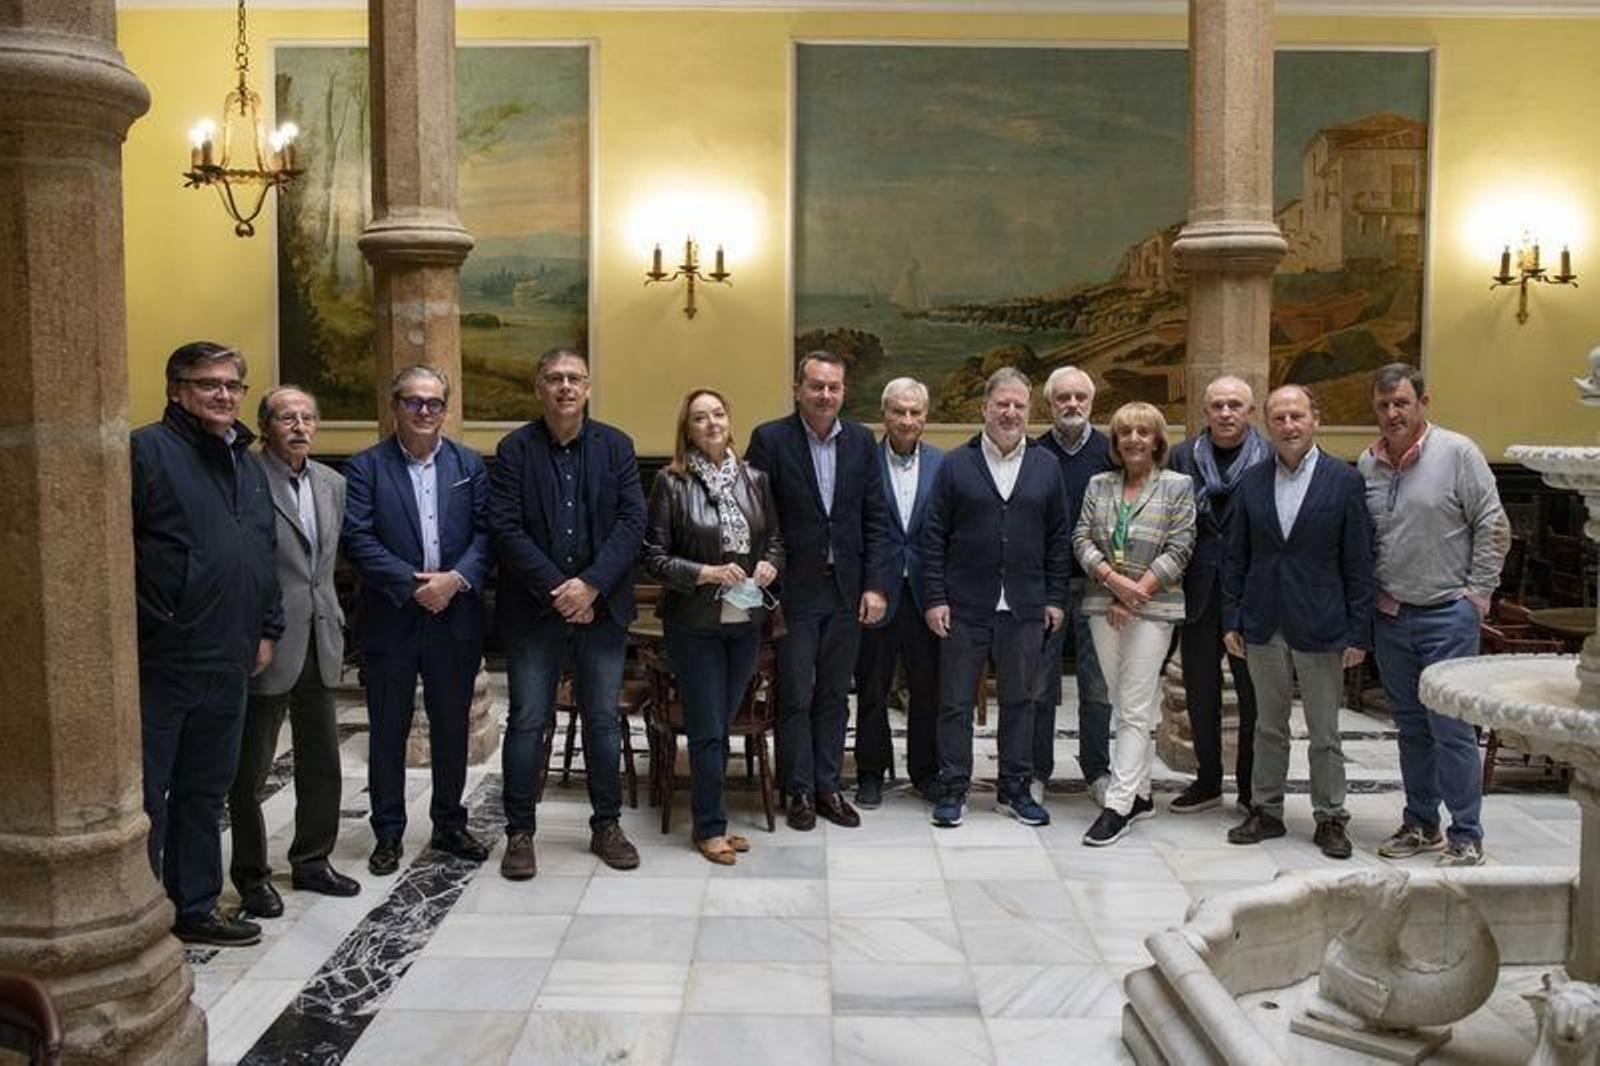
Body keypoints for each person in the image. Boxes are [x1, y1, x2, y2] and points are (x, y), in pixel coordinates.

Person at [132, 341, 283, 946]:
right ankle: (142, 914)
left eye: (232, 385)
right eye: (207, 384)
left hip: (231, 653)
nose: (223, 395)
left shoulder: (245, 462)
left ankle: (194, 905)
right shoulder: (147, 451)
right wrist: (157, 615)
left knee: (205, 790)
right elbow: (115, 548)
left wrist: (266, 628)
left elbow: (261, 550)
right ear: (175, 390)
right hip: (165, 653)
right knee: (150, 793)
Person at [489, 349, 645, 878]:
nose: (564, 387)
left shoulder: (617, 447)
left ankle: (606, 825)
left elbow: (631, 523)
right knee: (529, 722)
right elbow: (505, 528)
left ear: (588, 387)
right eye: (554, 378)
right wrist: (560, 589)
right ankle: (519, 832)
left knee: (602, 722)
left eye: (574, 378)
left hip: (600, 612)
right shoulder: (514, 450)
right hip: (535, 612)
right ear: (539, 388)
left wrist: (591, 586)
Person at [342, 366, 492, 877]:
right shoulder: (365, 467)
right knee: (389, 729)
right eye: (414, 402)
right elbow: (358, 538)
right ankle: (388, 832)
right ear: (395, 406)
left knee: (452, 728)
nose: (424, 411)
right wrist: (414, 585)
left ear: (445, 410)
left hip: (456, 616)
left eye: (433, 403)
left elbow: (486, 535)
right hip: (392, 618)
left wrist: (455, 580)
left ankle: (450, 823)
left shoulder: (469, 464)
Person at [1359, 363, 1509, 867]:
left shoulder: (1458, 453)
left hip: (1448, 613)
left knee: (1452, 731)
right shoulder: (1368, 463)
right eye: (1383, 405)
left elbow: (1493, 524)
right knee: (1410, 727)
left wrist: (1477, 597)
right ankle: (1422, 823)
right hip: (1393, 615)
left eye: (1401, 403)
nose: (1392, 413)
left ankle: (1467, 832)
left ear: (1423, 402)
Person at [1222, 385, 1374, 859]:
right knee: (1269, 724)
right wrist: (1232, 618)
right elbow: (1235, 558)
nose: (1289, 425)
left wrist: (1358, 630)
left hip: (1322, 622)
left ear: (1315, 420)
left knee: (1324, 730)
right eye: (1280, 418)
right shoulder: (1251, 481)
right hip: (1263, 621)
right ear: (1267, 424)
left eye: (1297, 416)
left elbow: (1359, 562)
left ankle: (1330, 817)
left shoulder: (1343, 481)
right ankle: (1266, 810)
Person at [229, 386, 360, 920]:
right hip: (267, 638)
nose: (300, 426)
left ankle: (312, 859)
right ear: (266, 426)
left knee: (322, 759)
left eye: (308, 417)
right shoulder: (244, 477)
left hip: (321, 634)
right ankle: (252, 875)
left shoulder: (333, 483)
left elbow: (325, 565)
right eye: (288, 417)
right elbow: (241, 562)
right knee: (251, 767)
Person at [747, 350, 890, 831]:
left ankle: (828, 787)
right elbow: (756, 519)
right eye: (816, 386)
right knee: (795, 696)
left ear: (843, 392)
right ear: (797, 389)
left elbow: (876, 517)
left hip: (847, 591)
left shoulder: (862, 443)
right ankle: (799, 790)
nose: (825, 395)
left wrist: (875, 585)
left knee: (833, 694)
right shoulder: (770, 440)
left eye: (833, 387)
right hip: (793, 593)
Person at [922, 367, 1069, 829]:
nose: (1009, 412)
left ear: (1029, 411)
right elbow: (933, 538)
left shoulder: (1047, 466)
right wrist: (934, 598)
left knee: (1021, 701)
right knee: (955, 703)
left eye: (1019, 406)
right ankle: (953, 789)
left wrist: (1055, 597)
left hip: (1025, 607)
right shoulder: (955, 464)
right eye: (1001, 404)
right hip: (964, 605)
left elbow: (1058, 538)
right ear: (984, 408)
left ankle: (1014, 789)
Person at [642, 389, 783, 864]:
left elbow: (776, 542)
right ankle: (709, 828)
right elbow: (654, 558)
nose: (711, 423)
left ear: (729, 419)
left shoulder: (755, 479)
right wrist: (705, 573)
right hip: (694, 624)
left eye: (718, 414)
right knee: (705, 729)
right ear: (687, 429)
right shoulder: (670, 482)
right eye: (700, 418)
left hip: (744, 621)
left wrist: (768, 566)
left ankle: (713, 814)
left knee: (722, 725)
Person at [1076, 402, 1195, 847]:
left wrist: (1135, 592)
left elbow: (1181, 546)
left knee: (1133, 702)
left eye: (1143, 432)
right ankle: (1143, 794)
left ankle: (1119, 805)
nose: (1133, 440)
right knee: (1121, 700)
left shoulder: (1177, 486)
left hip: (1153, 608)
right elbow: (1081, 538)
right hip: (1102, 604)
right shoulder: (1099, 484)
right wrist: (1113, 583)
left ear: (1158, 440)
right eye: (1125, 432)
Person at [1167, 376, 1270, 813]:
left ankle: (1249, 787)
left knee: (1254, 697)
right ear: (1205, 411)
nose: (1226, 413)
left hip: (1253, 596)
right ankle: (1207, 779)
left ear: (1250, 411)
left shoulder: (1270, 459)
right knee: (1199, 692)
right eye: (1217, 406)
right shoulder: (1182, 455)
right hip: (1198, 593)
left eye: (1235, 405)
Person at [852, 378, 944, 808]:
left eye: (916, 412)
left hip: (926, 594)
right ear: (884, 413)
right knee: (872, 687)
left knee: (928, 689)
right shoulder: (861, 460)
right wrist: (869, 585)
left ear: (926, 417)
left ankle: (925, 772)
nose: (908, 420)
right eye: (899, 411)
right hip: (877, 593)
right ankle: (871, 771)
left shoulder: (945, 465)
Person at [1032, 366, 1115, 806]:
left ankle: (1097, 770)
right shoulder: (1033, 452)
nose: (1072, 405)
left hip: (1099, 584)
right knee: (1040, 684)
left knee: (1097, 684)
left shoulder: (1111, 452)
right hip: (1047, 586)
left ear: (1092, 401)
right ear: (1049, 404)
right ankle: (1035, 771)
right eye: (1063, 397)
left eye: (1080, 397)